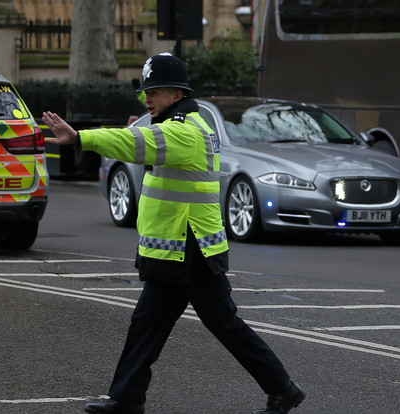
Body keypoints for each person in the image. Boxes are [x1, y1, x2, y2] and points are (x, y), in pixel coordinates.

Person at [42, 52, 305, 414]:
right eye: (146, 92)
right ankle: (126, 399)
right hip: (178, 248)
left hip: (191, 248)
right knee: (148, 324)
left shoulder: (185, 132)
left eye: (156, 92)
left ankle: (283, 389)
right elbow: (142, 137)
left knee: (223, 324)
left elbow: (135, 144)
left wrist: (79, 137)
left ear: (177, 95)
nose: (148, 98)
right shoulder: (181, 123)